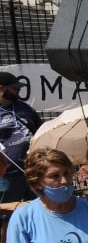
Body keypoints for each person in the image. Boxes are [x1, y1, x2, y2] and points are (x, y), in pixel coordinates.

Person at [0, 71, 39, 203]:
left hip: (33, 170)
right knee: (7, 212)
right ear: (2, 88)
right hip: (8, 175)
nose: (19, 90)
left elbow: (40, 129)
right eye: (15, 88)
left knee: (40, 209)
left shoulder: (24, 107)